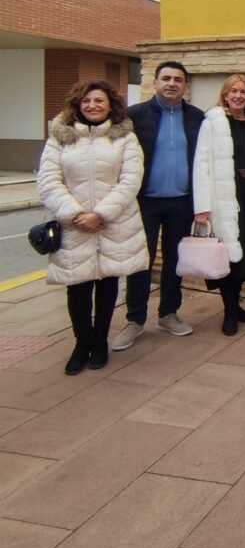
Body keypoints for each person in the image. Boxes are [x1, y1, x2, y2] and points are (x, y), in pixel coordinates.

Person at [37, 80, 149, 374]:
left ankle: (100, 340)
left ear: (110, 104)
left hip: (112, 222)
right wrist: (75, 214)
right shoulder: (60, 138)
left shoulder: (125, 138)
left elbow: (130, 181)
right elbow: (48, 180)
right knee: (77, 287)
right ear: (78, 105)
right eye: (86, 101)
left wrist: (101, 214)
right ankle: (81, 342)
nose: (92, 106)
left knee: (108, 282)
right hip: (74, 225)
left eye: (99, 101)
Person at [112, 61, 205, 351]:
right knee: (141, 261)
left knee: (175, 262)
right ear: (155, 82)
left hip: (182, 201)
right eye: (166, 78)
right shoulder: (135, 116)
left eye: (178, 79)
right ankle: (135, 319)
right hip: (145, 202)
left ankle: (168, 314)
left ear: (186, 85)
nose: (172, 83)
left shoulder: (197, 118)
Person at [193, 74, 245, 336]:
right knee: (227, 255)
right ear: (225, 94)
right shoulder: (213, 124)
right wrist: (202, 207)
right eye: (234, 91)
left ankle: (237, 304)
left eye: (244, 92)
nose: (238, 96)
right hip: (226, 197)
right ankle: (229, 310)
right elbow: (201, 164)